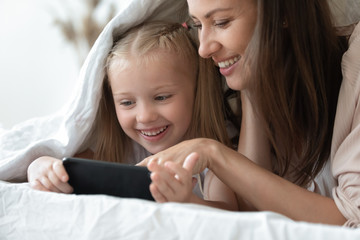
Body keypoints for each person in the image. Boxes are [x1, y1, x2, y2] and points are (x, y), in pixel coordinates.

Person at [140, 0, 360, 227]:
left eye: (221, 22)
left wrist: (213, 153)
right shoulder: (256, 83)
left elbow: (350, 222)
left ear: (284, 13)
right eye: (197, 25)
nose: (203, 49)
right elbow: (252, 215)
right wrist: (251, 88)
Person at [27, 21, 238, 211]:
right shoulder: (124, 148)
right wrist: (41, 166)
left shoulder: (211, 150)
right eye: (127, 103)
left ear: (198, 91)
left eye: (162, 97)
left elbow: (231, 211)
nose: (144, 117)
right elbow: (69, 167)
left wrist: (188, 201)